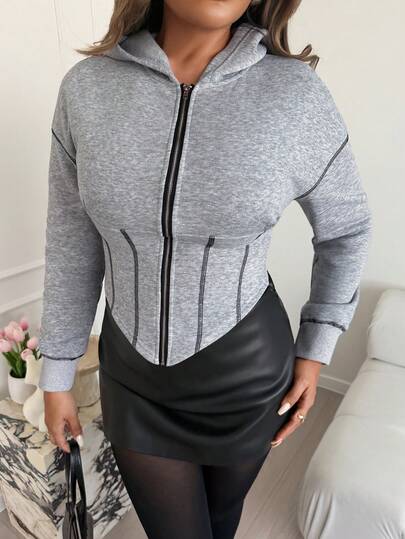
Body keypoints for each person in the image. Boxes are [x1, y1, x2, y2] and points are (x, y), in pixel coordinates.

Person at [38, 0, 372, 537]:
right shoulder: (88, 89)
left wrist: (316, 349)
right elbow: (71, 240)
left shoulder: (295, 95)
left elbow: (346, 230)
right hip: (134, 379)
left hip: (247, 376)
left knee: (221, 521)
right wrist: (56, 373)